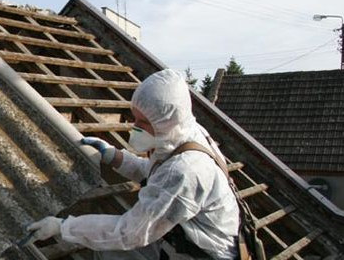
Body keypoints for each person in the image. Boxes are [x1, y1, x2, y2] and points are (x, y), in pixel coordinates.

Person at [26, 69, 240, 259]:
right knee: (109, 250)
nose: (135, 127)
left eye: (144, 122)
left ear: (167, 122)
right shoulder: (183, 134)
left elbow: (130, 233)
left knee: (113, 246)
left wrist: (63, 227)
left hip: (202, 253)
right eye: (135, 118)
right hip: (185, 238)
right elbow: (156, 174)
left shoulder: (186, 170)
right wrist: (115, 156)